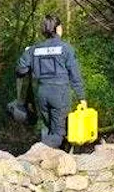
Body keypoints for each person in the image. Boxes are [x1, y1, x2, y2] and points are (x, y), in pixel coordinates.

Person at [15, 15, 85, 149]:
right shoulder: (66, 49)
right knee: (59, 133)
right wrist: (81, 97)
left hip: (42, 94)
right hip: (60, 94)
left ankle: (51, 161)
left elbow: (20, 69)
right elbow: (75, 76)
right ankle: (39, 152)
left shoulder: (34, 50)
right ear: (58, 28)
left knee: (47, 128)